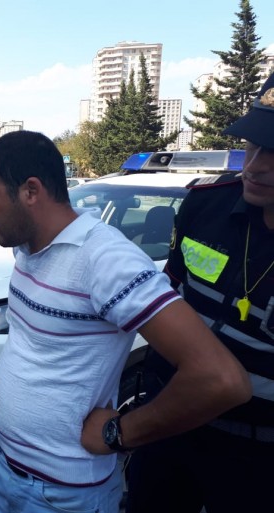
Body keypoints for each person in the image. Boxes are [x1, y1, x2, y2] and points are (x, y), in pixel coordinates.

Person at [0, 130, 251, 513]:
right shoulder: (28, 246)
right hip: (1, 468)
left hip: (59, 497)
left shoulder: (106, 260)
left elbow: (220, 380)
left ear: (31, 191)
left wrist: (118, 433)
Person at [125, 72, 274, 513]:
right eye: (253, 145)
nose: (254, 165)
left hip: (259, 461)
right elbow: (170, 296)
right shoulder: (205, 205)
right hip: (167, 430)